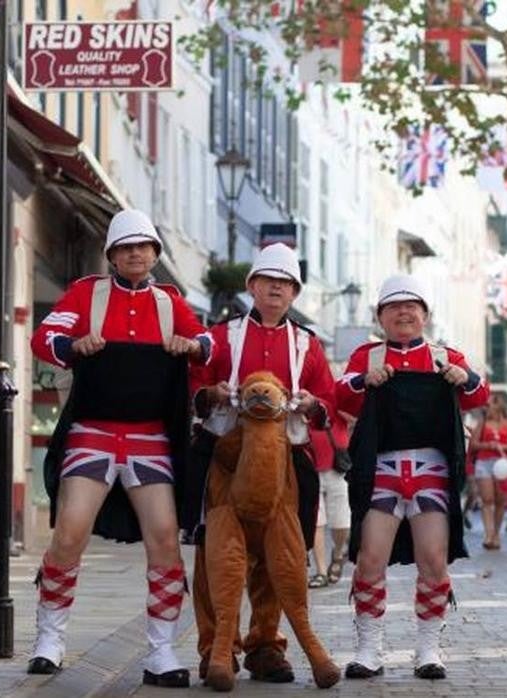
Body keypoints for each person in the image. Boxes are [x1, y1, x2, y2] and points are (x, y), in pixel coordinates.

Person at [27, 210, 211, 687]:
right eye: (126, 247)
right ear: (112, 254)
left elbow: (210, 345)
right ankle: (49, 640)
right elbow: (43, 338)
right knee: (69, 533)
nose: (136, 254)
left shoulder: (170, 302)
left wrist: (193, 348)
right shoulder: (88, 293)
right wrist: (72, 344)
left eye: (144, 246)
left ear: (154, 253)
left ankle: (163, 652)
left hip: (151, 439)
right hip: (92, 433)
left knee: (166, 539)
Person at [185, 242, 336, 685]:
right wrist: (209, 394)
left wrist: (312, 404)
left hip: (282, 459)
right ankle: (217, 646)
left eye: (285, 283)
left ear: (294, 293)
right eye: (269, 280)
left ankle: (266, 645)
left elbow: (326, 396)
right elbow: (194, 382)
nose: (277, 288)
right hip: (226, 456)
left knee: (280, 554)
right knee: (214, 552)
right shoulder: (219, 335)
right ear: (252, 285)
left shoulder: (307, 343)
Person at [337, 274, 489, 680]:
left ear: (424, 315)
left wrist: (466, 378)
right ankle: (369, 648)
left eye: (412, 307)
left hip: (431, 472)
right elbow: (340, 395)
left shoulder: (445, 356)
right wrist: (363, 381)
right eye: (394, 307)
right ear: (380, 316)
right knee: (370, 559)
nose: (404, 313)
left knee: (434, 559)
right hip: (381, 470)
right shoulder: (366, 357)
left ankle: (429, 649)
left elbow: (480, 395)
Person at [307, 415, 352, 589]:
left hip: (336, 470)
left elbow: (353, 416)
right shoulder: (302, 406)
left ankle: (339, 552)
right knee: (316, 523)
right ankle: (321, 572)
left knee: (341, 524)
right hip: (310, 471)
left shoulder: (336, 401)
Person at [470, 397, 507, 549]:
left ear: (498, 406)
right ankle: (488, 535)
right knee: (487, 500)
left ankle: (496, 534)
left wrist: (503, 447)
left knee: (500, 501)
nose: (486, 408)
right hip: (484, 462)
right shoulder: (482, 424)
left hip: (503, 465)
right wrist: (487, 444)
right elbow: (473, 444)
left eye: (489, 405)